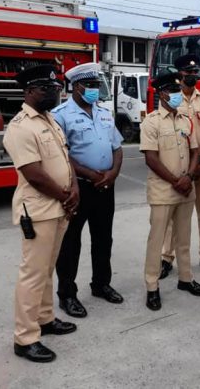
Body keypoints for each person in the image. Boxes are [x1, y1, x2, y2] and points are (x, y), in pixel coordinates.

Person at [3, 64, 79, 363]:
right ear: (29, 91)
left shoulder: (50, 121)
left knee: (48, 269)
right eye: (47, 88)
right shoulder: (21, 127)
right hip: (38, 210)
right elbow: (33, 173)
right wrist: (64, 195)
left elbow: (64, 157)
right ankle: (25, 338)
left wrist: (74, 188)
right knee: (33, 274)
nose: (54, 92)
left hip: (58, 206)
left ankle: (45, 319)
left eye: (56, 88)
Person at [51, 63, 124, 319]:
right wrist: (91, 175)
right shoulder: (60, 115)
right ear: (76, 86)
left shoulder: (104, 114)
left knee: (104, 238)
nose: (94, 90)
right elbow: (61, 155)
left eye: (96, 85)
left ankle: (101, 284)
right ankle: (67, 295)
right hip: (78, 188)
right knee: (70, 243)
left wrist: (112, 174)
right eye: (90, 86)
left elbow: (117, 147)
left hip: (105, 186)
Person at [140, 72, 200, 311]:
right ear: (161, 93)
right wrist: (175, 181)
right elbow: (151, 158)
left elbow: (196, 152)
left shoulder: (185, 120)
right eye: (173, 90)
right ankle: (152, 285)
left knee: (184, 237)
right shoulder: (151, 121)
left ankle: (186, 278)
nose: (178, 94)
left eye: (179, 89)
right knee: (156, 240)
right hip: (163, 191)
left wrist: (188, 177)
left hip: (185, 189)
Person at [160, 55, 200, 278]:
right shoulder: (172, 98)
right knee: (175, 215)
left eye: (195, 72)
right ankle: (166, 257)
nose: (192, 76)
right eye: (188, 72)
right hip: (180, 166)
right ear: (180, 73)